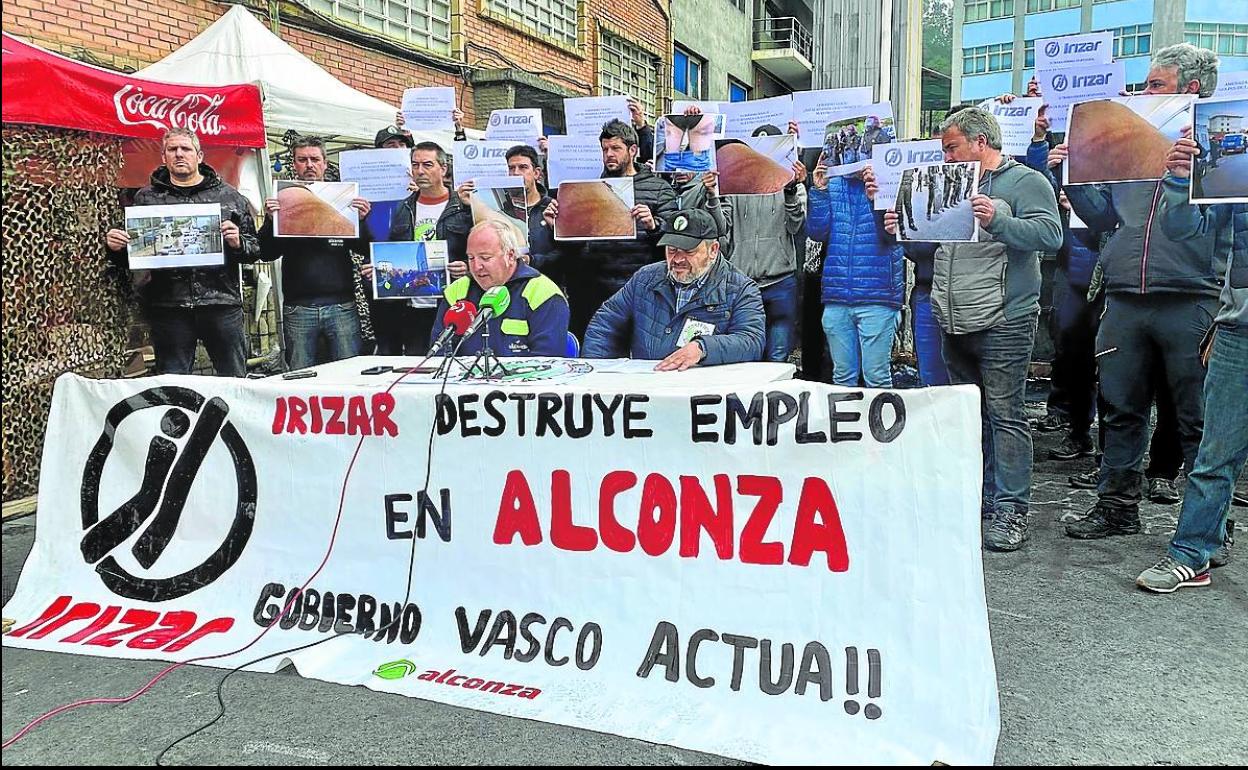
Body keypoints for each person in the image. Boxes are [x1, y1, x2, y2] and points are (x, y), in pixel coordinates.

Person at [1059, 43, 1224, 540]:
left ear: (1189, 89)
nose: (1143, 93)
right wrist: (1071, 174)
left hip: (1192, 298)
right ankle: (1116, 508)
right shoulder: (1129, 142)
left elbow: (1223, 225)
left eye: (1155, 85)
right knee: (1120, 407)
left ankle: (1205, 528)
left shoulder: (1222, 144)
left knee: (1198, 420)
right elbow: (1103, 219)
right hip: (1125, 297)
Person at [886, 108, 1062, 551]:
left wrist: (997, 220)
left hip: (1004, 318)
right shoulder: (946, 183)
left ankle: (1011, 510)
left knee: (1006, 416)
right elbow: (931, 250)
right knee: (969, 416)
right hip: (952, 316)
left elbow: (1050, 236)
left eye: (951, 147)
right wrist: (904, 229)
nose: (945, 156)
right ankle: (979, 497)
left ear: (980, 143)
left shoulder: (1025, 182)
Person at [1135, 134, 1246, 592]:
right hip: (1240, 330)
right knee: (1215, 453)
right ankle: (1189, 554)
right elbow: (1182, 230)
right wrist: (1180, 181)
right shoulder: (1234, 168)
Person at [104, 128, 262, 376]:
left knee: (235, 379)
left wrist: (238, 242)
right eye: (172, 149)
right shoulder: (146, 198)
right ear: (163, 157)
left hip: (220, 304)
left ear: (199, 156)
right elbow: (134, 256)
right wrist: (116, 248)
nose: (179, 154)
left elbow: (255, 250)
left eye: (186, 149)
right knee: (174, 384)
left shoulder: (229, 196)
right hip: (169, 307)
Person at [543, 119, 679, 338]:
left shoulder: (658, 188)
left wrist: (654, 225)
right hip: (596, 290)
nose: (609, 154)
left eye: (616, 148)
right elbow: (575, 249)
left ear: (633, 150)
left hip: (641, 287)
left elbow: (675, 238)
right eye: (605, 149)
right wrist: (558, 226)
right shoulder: (589, 189)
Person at [582, 208, 765, 369]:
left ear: (713, 250)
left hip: (702, 394)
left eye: (689, 251)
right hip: (646, 390)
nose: (677, 259)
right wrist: (597, 372)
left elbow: (751, 340)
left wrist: (703, 348)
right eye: (671, 250)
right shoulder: (645, 278)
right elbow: (605, 323)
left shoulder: (741, 288)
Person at [259, 136, 372, 369]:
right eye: (302, 160)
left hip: (342, 306)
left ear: (324, 164)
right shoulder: (285, 199)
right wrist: (271, 221)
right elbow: (267, 253)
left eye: (314, 159)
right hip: (298, 307)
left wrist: (360, 221)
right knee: (301, 377)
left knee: (350, 375)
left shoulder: (343, 200)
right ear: (294, 164)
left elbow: (365, 249)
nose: (309, 165)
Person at [371, 141, 473, 355]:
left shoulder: (463, 207)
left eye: (427, 165)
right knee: (418, 363)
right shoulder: (402, 207)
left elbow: (480, 249)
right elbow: (394, 249)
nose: (420, 171)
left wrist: (467, 267)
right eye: (415, 165)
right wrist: (378, 267)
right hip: (412, 307)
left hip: (454, 303)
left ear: (443, 169)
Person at [809, 162, 903, 388]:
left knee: (877, 377)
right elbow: (817, 232)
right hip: (837, 295)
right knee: (842, 377)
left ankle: (883, 424)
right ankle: (848, 424)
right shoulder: (835, 182)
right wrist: (820, 191)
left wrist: (876, 200)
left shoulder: (892, 178)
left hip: (877, 296)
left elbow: (896, 237)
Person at [721, 120, 807, 363]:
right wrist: (713, 194)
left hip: (780, 281)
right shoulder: (734, 184)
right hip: (742, 282)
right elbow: (723, 226)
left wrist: (791, 190)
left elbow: (796, 225)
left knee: (777, 357)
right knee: (745, 357)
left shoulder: (789, 183)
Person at [431, 221, 569, 357]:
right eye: (471, 258)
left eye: (485, 258)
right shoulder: (457, 291)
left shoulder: (545, 294)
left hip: (522, 378)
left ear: (510, 256)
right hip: (463, 378)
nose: (476, 266)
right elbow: (439, 353)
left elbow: (547, 363)